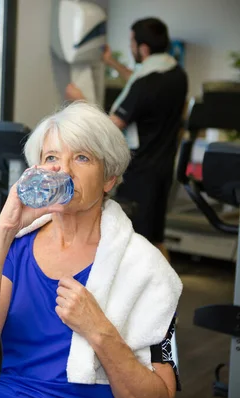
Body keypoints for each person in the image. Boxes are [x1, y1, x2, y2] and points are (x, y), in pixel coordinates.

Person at [0, 102, 183, 398]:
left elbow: (161, 395)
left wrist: (99, 331)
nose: (63, 169)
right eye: (52, 157)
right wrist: (2, 231)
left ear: (109, 178)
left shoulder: (145, 267)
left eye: (82, 157)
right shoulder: (16, 246)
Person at [65, 17, 188, 261]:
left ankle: (152, 293)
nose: (130, 46)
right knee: (156, 236)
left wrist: (80, 100)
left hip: (141, 171)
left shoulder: (144, 85)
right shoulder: (175, 74)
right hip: (163, 166)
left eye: (132, 41)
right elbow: (139, 80)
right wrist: (111, 62)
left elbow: (111, 126)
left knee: (139, 242)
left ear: (143, 48)